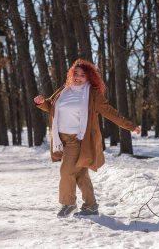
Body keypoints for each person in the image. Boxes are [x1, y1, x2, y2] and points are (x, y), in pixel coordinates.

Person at [34, 59, 141, 218]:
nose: (77, 77)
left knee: (66, 170)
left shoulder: (92, 93)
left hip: (78, 140)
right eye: (75, 74)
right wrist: (42, 103)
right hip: (60, 138)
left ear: (89, 77)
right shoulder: (64, 90)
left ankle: (68, 203)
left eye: (82, 75)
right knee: (80, 173)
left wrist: (130, 126)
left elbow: (109, 112)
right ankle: (91, 206)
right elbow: (52, 106)